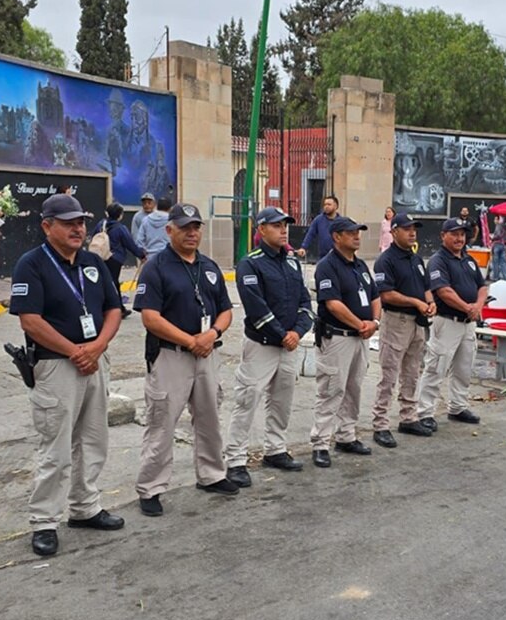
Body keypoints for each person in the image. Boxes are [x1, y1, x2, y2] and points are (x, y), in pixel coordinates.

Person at [8, 193, 125, 557]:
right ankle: (44, 521)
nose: (78, 228)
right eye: (69, 222)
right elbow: (30, 320)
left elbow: (114, 308)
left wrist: (98, 347)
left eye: (81, 222)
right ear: (47, 226)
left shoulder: (93, 261)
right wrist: (75, 351)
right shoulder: (32, 264)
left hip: (94, 361)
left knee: (93, 441)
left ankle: (84, 508)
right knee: (56, 447)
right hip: (57, 365)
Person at [133, 203, 237, 514]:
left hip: (207, 354)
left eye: (196, 227)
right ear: (169, 230)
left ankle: (211, 474)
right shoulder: (156, 267)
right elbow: (150, 317)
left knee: (209, 418)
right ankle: (150, 488)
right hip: (171, 356)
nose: (192, 233)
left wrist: (213, 334)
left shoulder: (208, 266)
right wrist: (191, 340)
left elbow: (226, 310)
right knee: (162, 422)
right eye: (184, 227)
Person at [223, 207, 314, 487]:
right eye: (276, 225)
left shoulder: (291, 262)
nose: (283, 229)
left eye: (285, 224)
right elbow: (255, 306)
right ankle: (235, 459)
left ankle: (275, 449)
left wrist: (297, 332)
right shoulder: (250, 263)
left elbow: (304, 303)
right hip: (262, 344)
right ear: (261, 230)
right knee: (247, 400)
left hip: (289, 344)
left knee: (282, 401)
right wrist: (281, 334)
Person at [309, 216, 380, 467]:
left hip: (361, 338)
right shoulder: (327, 266)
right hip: (338, 337)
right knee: (331, 390)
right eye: (351, 232)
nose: (357, 236)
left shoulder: (360, 265)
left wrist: (374, 322)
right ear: (336, 236)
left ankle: (346, 436)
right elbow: (333, 304)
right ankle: (321, 442)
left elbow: (375, 296)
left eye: (358, 232)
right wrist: (360, 324)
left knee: (354, 389)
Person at [416, 217, 488, 430]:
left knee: (464, 367)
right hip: (447, 322)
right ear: (443, 236)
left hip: (468, 323)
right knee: (436, 367)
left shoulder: (469, 259)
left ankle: (458, 407)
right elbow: (443, 291)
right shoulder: (438, 261)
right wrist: (468, 307)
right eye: (454, 234)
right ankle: (425, 412)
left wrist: (478, 306)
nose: (459, 238)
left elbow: (482, 287)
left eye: (462, 234)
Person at [371, 213, 436, 447]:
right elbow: (386, 293)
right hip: (396, 322)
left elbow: (427, 287)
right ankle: (380, 424)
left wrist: (430, 302)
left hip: (417, 323)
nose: (412, 233)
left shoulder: (416, 259)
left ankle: (408, 417)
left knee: (412, 372)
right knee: (389, 374)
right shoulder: (385, 261)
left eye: (414, 229)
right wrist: (415, 302)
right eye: (407, 229)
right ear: (394, 231)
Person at [94, 203, 146, 318]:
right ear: (120, 215)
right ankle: (118, 308)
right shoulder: (120, 228)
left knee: (104, 282)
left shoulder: (100, 224)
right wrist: (141, 255)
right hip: (114, 259)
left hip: (100, 257)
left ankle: (106, 307)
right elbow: (130, 244)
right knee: (113, 282)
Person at [297, 195, 341, 261]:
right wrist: (303, 247)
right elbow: (310, 234)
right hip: (323, 257)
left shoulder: (341, 221)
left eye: (329, 204)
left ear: (336, 206)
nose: (326, 206)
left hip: (338, 257)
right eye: (325, 204)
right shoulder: (318, 220)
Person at [489, 215, 506, 282]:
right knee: (503, 263)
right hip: (504, 245)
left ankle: (495, 278)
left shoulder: (499, 226)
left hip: (497, 245)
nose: (494, 221)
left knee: (495, 262)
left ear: (498, 220)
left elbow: (498, 235)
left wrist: (492, 237)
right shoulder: (505, 227)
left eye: (495, 219)